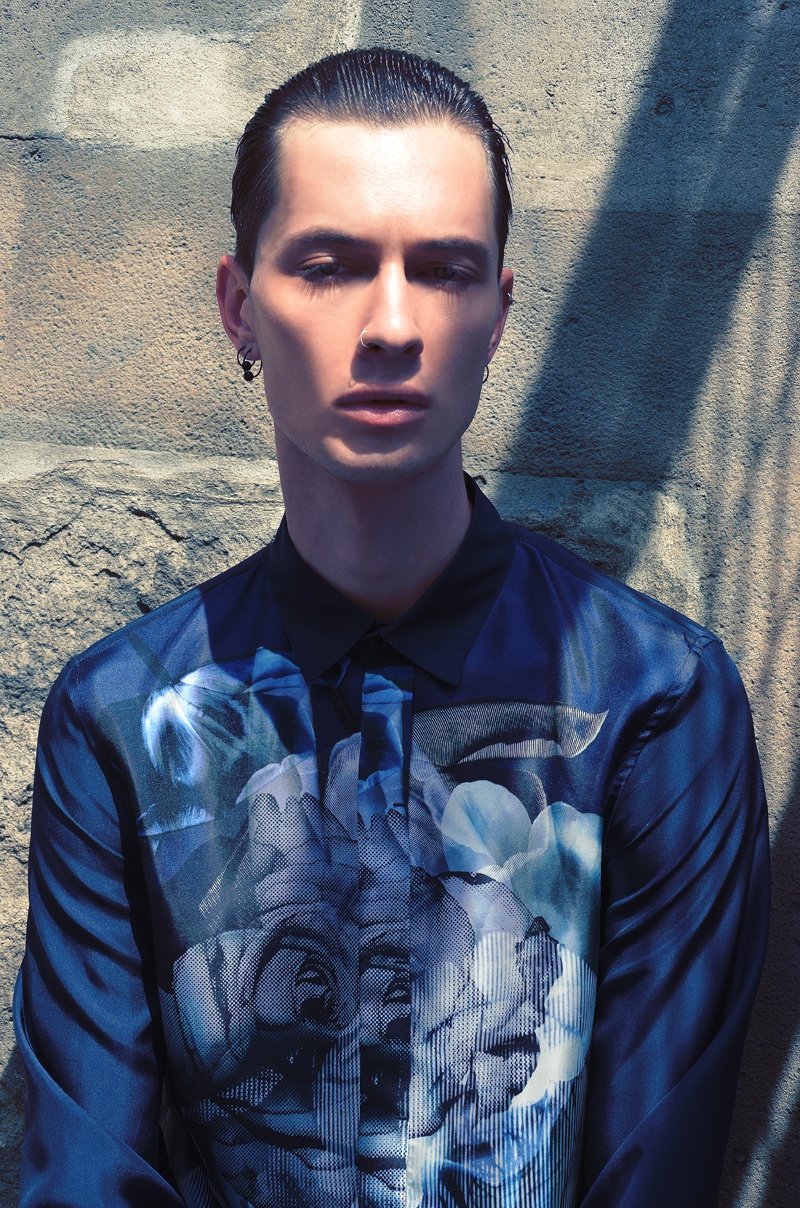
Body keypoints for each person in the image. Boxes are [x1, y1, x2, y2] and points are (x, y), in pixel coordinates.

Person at [14, 46, 769, 1208]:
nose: (391, 324)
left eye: (443, 269)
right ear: (239, 307)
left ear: (497, 313)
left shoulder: (653, 698)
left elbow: (653, 1168)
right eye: (328, 266)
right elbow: (86, 1168)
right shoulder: (121, 715)